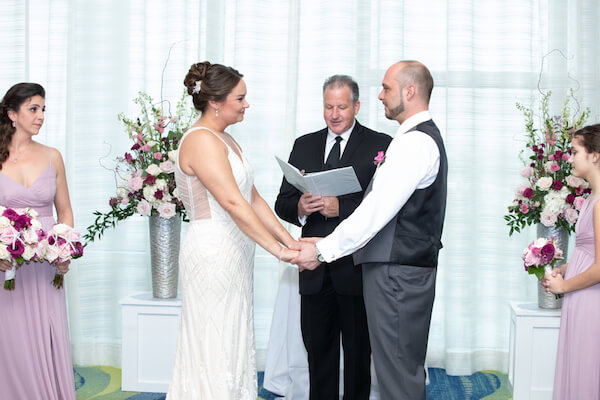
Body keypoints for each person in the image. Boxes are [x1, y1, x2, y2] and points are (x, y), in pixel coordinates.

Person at [292, 60, 448, 400]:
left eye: (387, 88)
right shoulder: (414, 138)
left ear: (410, 91)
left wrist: (322, 250)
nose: (380, 95)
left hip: (396, 275)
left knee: (397, 374)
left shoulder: (414, 144)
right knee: (398, 368)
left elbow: (376, 211)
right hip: (399, 271)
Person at [167, 62, 299, 400]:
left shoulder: (225, 139)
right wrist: (280, 253)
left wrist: (290, 241)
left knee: (233, 334)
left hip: (235, 249)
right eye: (240, 98)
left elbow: (252, 199)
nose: (246, 104)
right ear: (215, 102)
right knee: (214, 336)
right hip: (212, 250)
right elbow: (231, 202)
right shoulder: (200, 141)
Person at [274, 75, 392, 399]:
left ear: (356, 106)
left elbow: (385, 205)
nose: (335, 113)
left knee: (358, 356)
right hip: (313, 268)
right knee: (318, 355)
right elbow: (281, 203)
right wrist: (300, 205)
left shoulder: (379, 144)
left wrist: (340, 206)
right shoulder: (304, 144)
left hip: (356, 268)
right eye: (329, 106)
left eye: (342, 106)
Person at [0, 83, 76, 399]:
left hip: (46, 262)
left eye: (43, 109)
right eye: (34, 109)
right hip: (7, 265)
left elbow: (66, 211)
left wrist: (63, 248)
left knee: (47, 334)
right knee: (12, 340)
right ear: (12, 114)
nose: (41, 116)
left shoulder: (52, 156)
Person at [542, 124, 600, 400]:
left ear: (595, 155)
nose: (570, 157)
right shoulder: (590, 198)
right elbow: (588, 252)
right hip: (582, 296)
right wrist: (564, 269)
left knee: (587, 370)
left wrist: (564, 286)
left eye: (575, 151)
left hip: (592, 300)